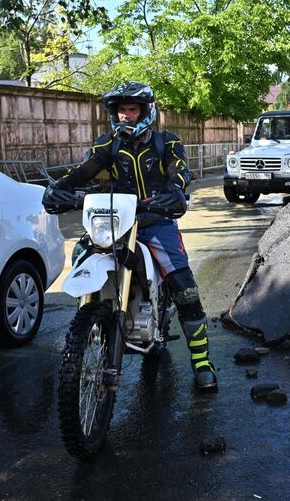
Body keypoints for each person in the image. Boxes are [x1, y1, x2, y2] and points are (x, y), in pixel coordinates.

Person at [44, 81, 217, 390]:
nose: (126, 115)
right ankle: (92, 322)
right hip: (114, 221)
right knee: (82, 254)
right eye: (121, 110)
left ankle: (202, 361)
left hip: (155, 220)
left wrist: (176, 191)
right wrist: (62, 187)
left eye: (132, 109)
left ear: (145, 112)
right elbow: (86, 169)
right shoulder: (108, 144)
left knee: (185, 288)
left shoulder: (167, 142)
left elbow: (179, 170)